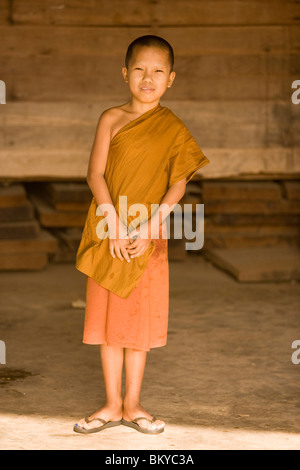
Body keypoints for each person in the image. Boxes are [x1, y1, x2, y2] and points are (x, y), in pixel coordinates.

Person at [74, 35, 210, 434]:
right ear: (124, 74)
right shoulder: (111, 119)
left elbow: (179, 184)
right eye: (139, 69)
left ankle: (133, 403)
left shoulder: (173, 127)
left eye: (157, 71)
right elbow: (95, 174)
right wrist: (113, 222)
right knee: (108, 318)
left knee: (139, 323)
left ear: (171, 79)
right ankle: (112, 403)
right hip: (109, 230)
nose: (147, 78)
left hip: (148, 235)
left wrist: (151, 226)